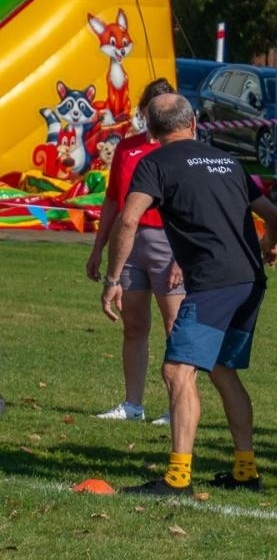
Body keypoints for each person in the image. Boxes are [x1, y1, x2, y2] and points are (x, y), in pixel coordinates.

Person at [100, 94, 277, 496]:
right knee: (221, 369)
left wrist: (114, 278)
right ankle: (245, 470)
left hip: (214, 283)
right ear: (194, 122)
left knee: (176, 371)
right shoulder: (228, 160)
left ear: (150, 129)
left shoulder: (155, 162)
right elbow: (274, 216)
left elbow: (129, 219)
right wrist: (269, 244)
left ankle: (178, 479)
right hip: (249, 279)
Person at [87, 78, 184, 425]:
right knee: (134, 324)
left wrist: (182, 255)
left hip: (168, 241)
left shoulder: (181, 151)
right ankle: (133, 403)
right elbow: (113, 200)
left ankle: (178, 408)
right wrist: (99, 248)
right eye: (151, 107)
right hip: (129, 242)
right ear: (144, 111)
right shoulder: (127, 148)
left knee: (176, 326)